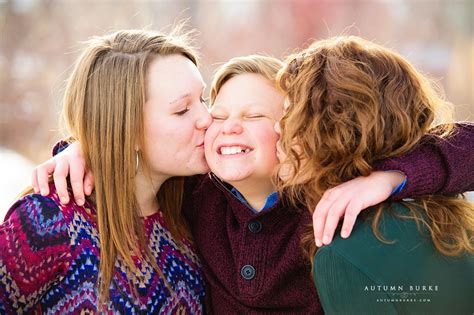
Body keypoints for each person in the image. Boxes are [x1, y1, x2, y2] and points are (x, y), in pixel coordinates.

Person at [36, 53, 473, 313]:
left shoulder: (329, 194)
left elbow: (465, 144)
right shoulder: (195, 194)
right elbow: (143, 152)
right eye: (219, 116)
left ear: (296, 131)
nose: (227, 128)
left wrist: (392, 175)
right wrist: (84, 148)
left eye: (254, 117)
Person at [0, 29, 210, 313]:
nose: (206, 118)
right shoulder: (48, 221)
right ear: (127, 128)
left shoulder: (198, 208)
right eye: (183, 110)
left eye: (204, 99)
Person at [276, 35, 474, 314]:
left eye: (290, 116)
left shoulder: (344, 255)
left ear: (332, 131)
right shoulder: (449, 217)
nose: (277, 128)